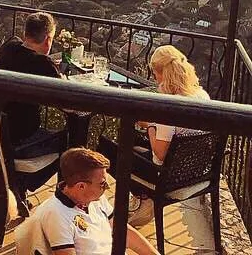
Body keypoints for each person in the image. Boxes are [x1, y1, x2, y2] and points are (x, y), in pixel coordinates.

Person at [99, 44, 210, 185]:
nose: (155, 78)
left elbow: (160, 155)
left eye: (155, 74)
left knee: (106, 148)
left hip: (169, 176)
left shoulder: (170, 106)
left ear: (162, 74)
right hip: (194, 168)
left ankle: (132, 196)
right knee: (131, 139)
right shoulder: (201, 95)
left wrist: (150, 125)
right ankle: (141, 198)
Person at [33, 147, 159, 255]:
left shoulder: (95, 198)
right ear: (81, 186)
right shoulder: (57, 215)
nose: (107, 187)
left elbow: (123, 231)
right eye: (102, 184)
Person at [0, 11, 65, 155]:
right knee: (67, 141)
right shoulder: (43, 65)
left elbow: (24, 58)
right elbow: (66, 98)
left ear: (25, 33)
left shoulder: (9, 47)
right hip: (21, 137)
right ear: (48, 39)